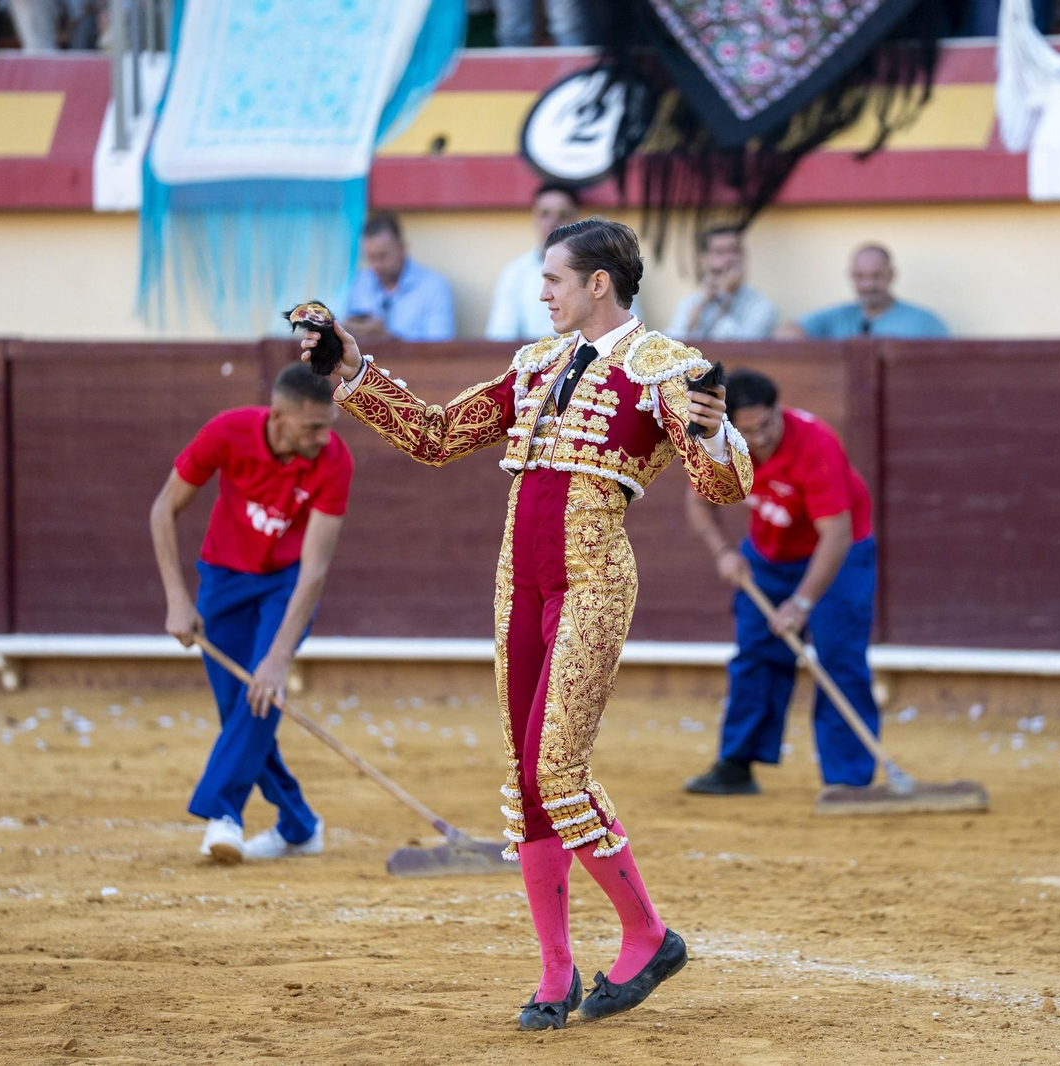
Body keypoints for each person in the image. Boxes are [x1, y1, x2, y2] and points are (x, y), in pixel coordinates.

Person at [300, 217, 752, 1031]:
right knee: (526, 777)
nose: (541, 292)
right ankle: (554, 970)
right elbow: (438, 438)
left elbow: (721, 491)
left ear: (597, 285)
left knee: (557, 768)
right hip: (519, 585)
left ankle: (647, 934)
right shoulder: (534, 364)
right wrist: (353, 368)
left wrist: (718, 429)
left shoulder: (667, 368)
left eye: (552, 279)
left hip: (592, 583)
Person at [149, 364, 353, 864]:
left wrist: (281, 656)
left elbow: (315, 568)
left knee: (261, 695)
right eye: (313, 427)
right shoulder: (228, 431)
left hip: (286, 585)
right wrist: (178, 597)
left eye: (328, 425)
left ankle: (224, 814)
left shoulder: (334, 460)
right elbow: (162, 510)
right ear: (279, 419)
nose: (324, 437)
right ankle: (300, 825)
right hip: (222, 578)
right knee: (238, 708)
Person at [682, 369, 908, 806]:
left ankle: (848, 780)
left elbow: (837, 535)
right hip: (768, 554)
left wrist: (802, 602)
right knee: (755, 654)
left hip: (838, 557)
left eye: (766, 426)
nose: (759, 439)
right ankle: (736, 765)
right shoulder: (718, 442)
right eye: (747, 432)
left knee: (839, 658)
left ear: (778, 409)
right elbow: (697, 499)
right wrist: (723, 552)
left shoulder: (815, 444)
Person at [337, 212, 456, 343]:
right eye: (370, 258)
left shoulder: (434, 287)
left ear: (402, 248)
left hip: (413, 364)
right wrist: (344, 332)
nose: (377, 265)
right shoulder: (360, 281)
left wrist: (387, 338)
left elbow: (441, 351)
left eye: (383, 256)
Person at [486, 183, 582, 342]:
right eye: (545, 213)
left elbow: (624, 333)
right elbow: (501, 338)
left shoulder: (601, 271)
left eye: (562, 214)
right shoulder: (515, 273)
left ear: (576, 219)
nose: (553, 222)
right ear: (534, 217)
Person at [791, 244, 949, 340]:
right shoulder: (837, 317)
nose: (868, 285)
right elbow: (787, 333)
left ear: (891, 274)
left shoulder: (923, 323)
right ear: (851, 276)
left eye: (876, 276)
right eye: (860, 276)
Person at [666, 226, 780, 341]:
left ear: (744, 256)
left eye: (735, 250)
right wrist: (701, 306)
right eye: (720, 252)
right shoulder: (690, 302)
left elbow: (737, 348)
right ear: (704, 260)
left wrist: (724, 297)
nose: (729, 259)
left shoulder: (761, 306)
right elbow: (674, 344)